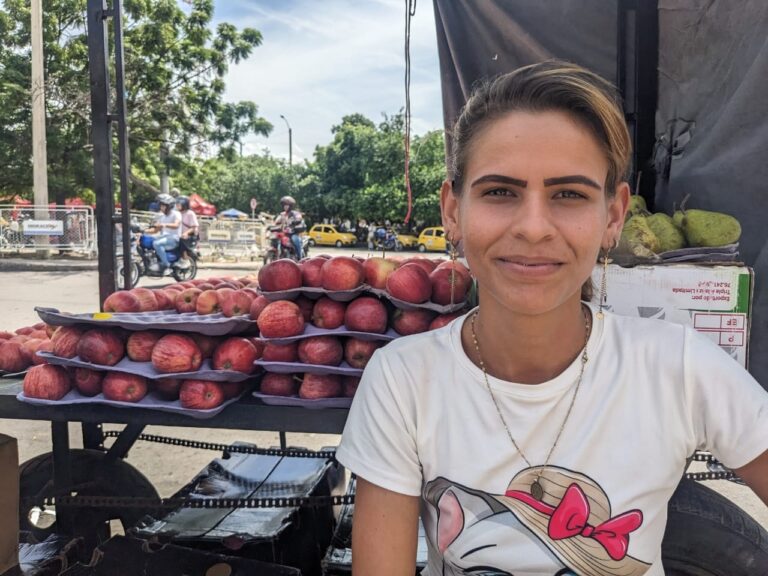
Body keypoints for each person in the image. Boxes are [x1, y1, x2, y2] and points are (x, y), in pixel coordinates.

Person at [335, 61, 768, 575]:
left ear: (613, 216)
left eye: (569, 195)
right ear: (453, 210)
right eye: (499, 192)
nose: (534, 227)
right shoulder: (403, 380)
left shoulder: (678, 366)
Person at [146, 193, 181, 274]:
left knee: (157, 243)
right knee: (150, 241)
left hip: (174, 239)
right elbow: (155, 230)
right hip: (164, 238)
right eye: (161, 205)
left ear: (169, 206)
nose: (161, 207)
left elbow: (176, 225)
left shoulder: (176, 214)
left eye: (163, 205)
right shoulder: (162, 217)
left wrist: (164, 225)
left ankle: (166, 265)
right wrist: (143, 231)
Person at [273, 195, 305, 260]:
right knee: (275, 238)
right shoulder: (282, 214)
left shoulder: (295, 213)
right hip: (284, 233)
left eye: (287, 205)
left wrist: (295, 221)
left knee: (295, 239)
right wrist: (272, 226)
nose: (285, 207)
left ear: (291, 206)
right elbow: (276, 221)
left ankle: (300, 258)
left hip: (293, 233)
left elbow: (299, 218)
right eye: (284, 205)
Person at [176, 195, 198, 269]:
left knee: (181, 239)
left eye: (179, 204)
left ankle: (185, 259)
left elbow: (194, 227)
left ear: (184, 204)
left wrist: (186, 233)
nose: (177, 205)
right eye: (177, 204)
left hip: (190, 235)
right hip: (179, 234)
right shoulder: (177, 213)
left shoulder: (190, 213)